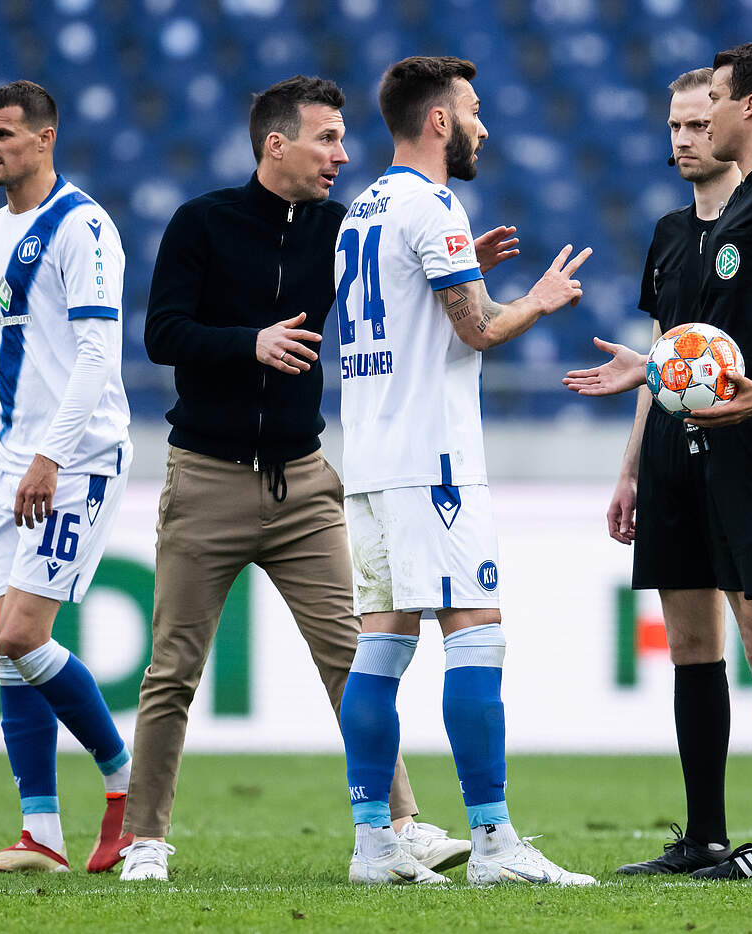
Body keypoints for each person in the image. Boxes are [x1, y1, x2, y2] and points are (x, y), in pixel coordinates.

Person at [121, 75, 501, 883]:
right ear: (276, 144)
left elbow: (397, 310)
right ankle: (145, 840)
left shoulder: (340, 229)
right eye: (327, 138)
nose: (342, 154)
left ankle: (400, 825)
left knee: (354, 655)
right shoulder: (202, 223)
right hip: (207, 479)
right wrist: (248, 343)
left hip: (305, 480)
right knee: (173, 669)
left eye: (342, 138)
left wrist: (459, 275)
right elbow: (161, 333)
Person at [562, 44, 752, 883]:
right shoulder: (742, 205)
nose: (696, 127)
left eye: (715, 103)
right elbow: (709, 340)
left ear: (748, 107)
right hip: (726, 437)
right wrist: (655, 371)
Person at [334, 55, 595, 887]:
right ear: (439, 120)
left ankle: (374, 845)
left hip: (369, 458)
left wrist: (462, 268)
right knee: (477, 632)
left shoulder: (363, 209)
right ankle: (492, 843)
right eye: (474, 110)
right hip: (432, 460)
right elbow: (477, 328)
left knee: (380, 646)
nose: (484, 126)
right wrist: (539, 299)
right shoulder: (435, 203)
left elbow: (411, 310)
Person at [0, 79, 135, 875]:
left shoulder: (82, 226)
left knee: (20, 634)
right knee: (8, 653)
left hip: (76, 459)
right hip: (10, 463)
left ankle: (128, 783)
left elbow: (96, 355)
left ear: (45, 137)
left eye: (3, 135)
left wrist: (49, 458)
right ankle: (42, 837)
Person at [567, 67, 750, 877]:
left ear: (731, 123)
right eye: (673, 126)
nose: (683, 139)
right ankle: (705, 835)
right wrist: (631, 468)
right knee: (690, 645)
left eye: (697, 124)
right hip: (672, 455)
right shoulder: (671, 232)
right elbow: (662, 356)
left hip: (742, 449)